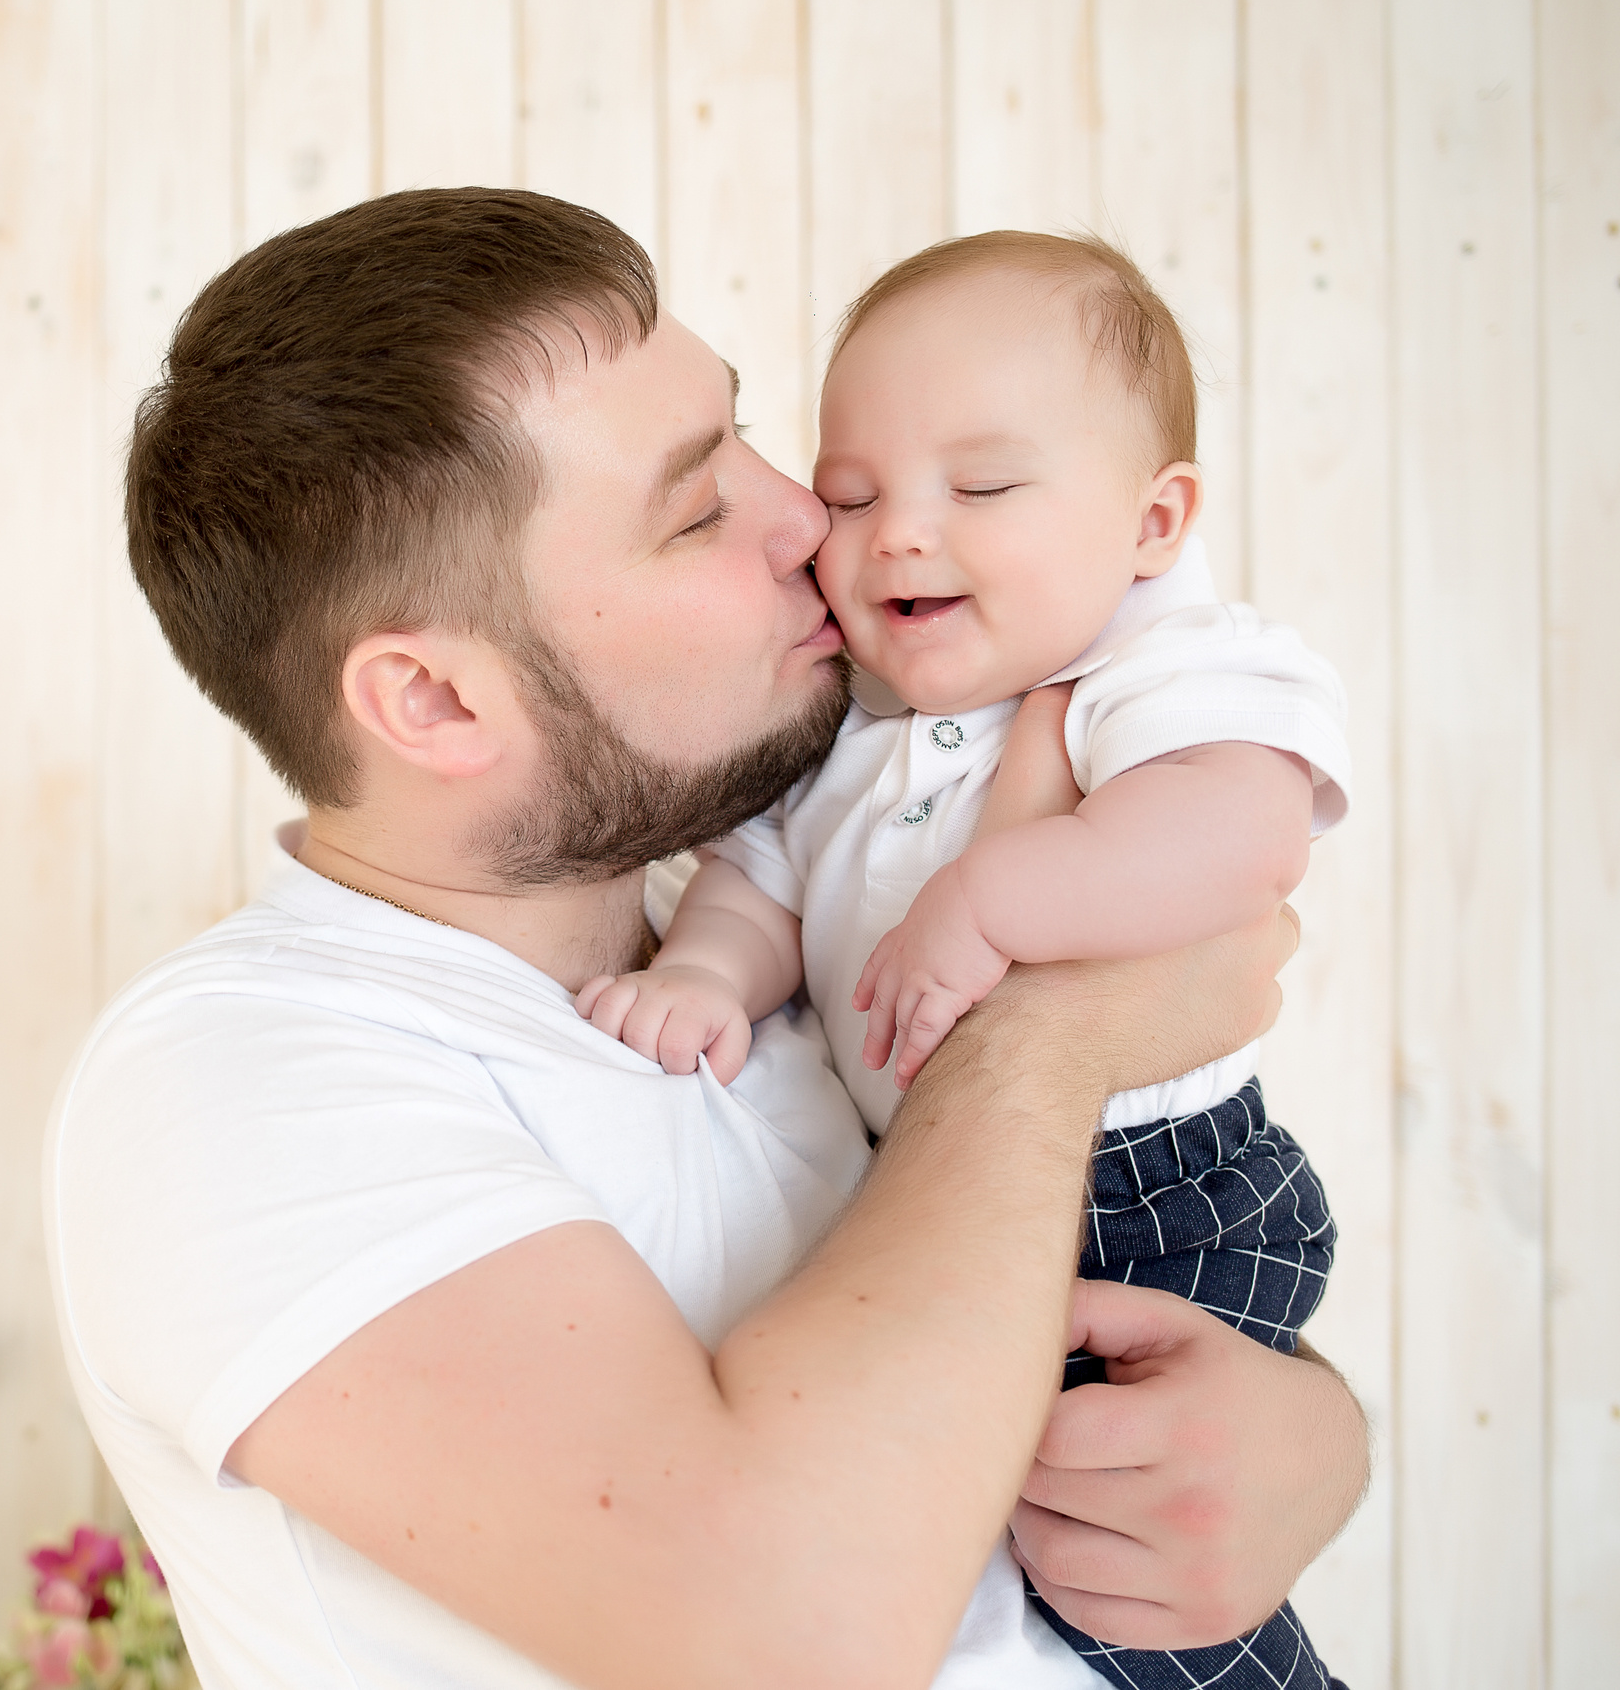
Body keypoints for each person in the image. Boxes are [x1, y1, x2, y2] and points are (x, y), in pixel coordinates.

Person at [47, 189, 1366, 1690]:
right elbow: (794, 1639)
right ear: (436, 703)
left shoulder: (757, 945)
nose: (814, 513)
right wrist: (1053, 1030)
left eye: (745, 432)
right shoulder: (237, 1086)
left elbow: (1010, 1316)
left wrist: (1306, 1436)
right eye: (697, 504)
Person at [572, 230, 1355, 1690]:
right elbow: (759, 890)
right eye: (854, 496)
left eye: (982, 488)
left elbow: (1240, 837)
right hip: (966, 1214)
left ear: (1154, 520)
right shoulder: (844, 734)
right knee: (1052, 1553)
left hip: (1155, 1196)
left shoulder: (1153, 670)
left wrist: (1001, 897)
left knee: (1123, 1569)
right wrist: (702, 977)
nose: (897, 535)